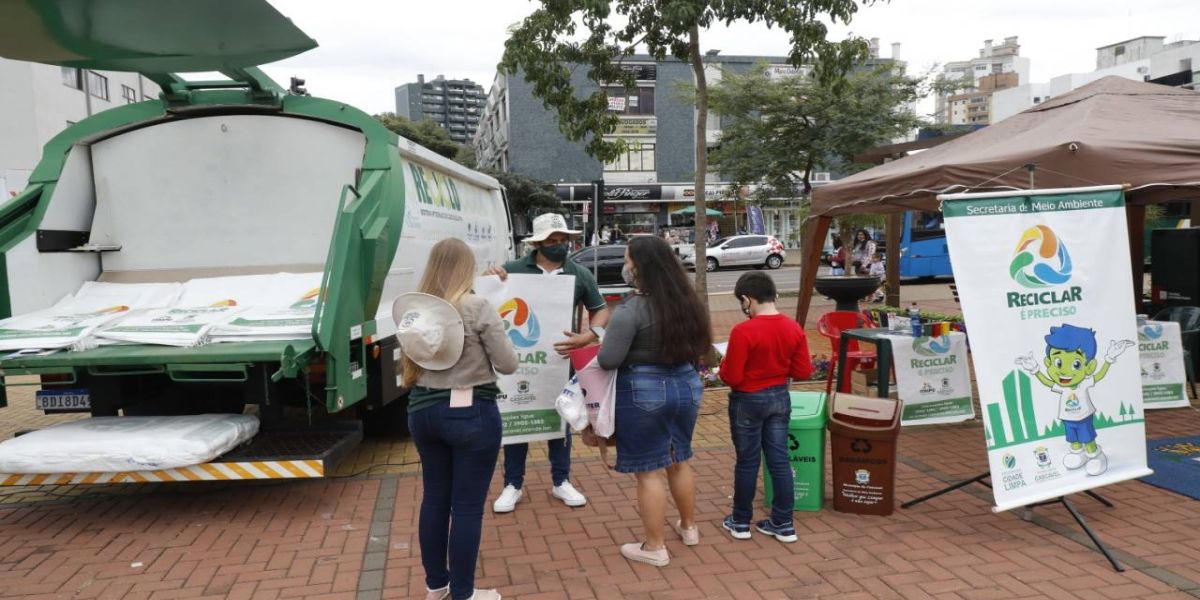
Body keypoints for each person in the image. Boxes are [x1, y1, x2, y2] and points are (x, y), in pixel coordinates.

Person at [396, 238, 519, 600]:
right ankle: (464, 593)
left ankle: (437, 585)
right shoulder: (477, 306)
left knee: (434, 499)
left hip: (422, 411)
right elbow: (508, 363)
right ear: (468, 268)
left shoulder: (416, 310)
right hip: (471, 414)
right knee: (466, 507)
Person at [597, 236, 712, 567]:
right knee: (680, 459)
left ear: (640, 266)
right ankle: (689, 528)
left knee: (648, 471)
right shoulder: (688, 303)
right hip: (687, 385)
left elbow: (608, 359)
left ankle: (654, 547)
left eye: (628, 259)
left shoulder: (632, 309)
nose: (626, 266)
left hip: (644, 390)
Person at [485, 212, 610, 513]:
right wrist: (490, 279)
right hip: (519, 362)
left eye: (563, 239)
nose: (559, 245)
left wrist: (589, 336)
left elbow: (600, 310)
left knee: (562, 419)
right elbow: (488, 300)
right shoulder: (514, 270)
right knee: (517, 418)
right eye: (552, 241)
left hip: (561, 362)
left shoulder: (579, 273)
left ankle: (561, 480)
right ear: (538, 243)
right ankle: (512, 484)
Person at [718, 272, 813, 544]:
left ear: (747, 300)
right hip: (780, 397)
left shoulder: (743, 331)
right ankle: (783, 524)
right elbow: (803, 370)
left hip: (747, 399)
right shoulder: (793, 327)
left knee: (747, 462)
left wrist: (724, 365)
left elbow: (732, 376)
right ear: (774, 295)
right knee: (779, 461)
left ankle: (740, 521)